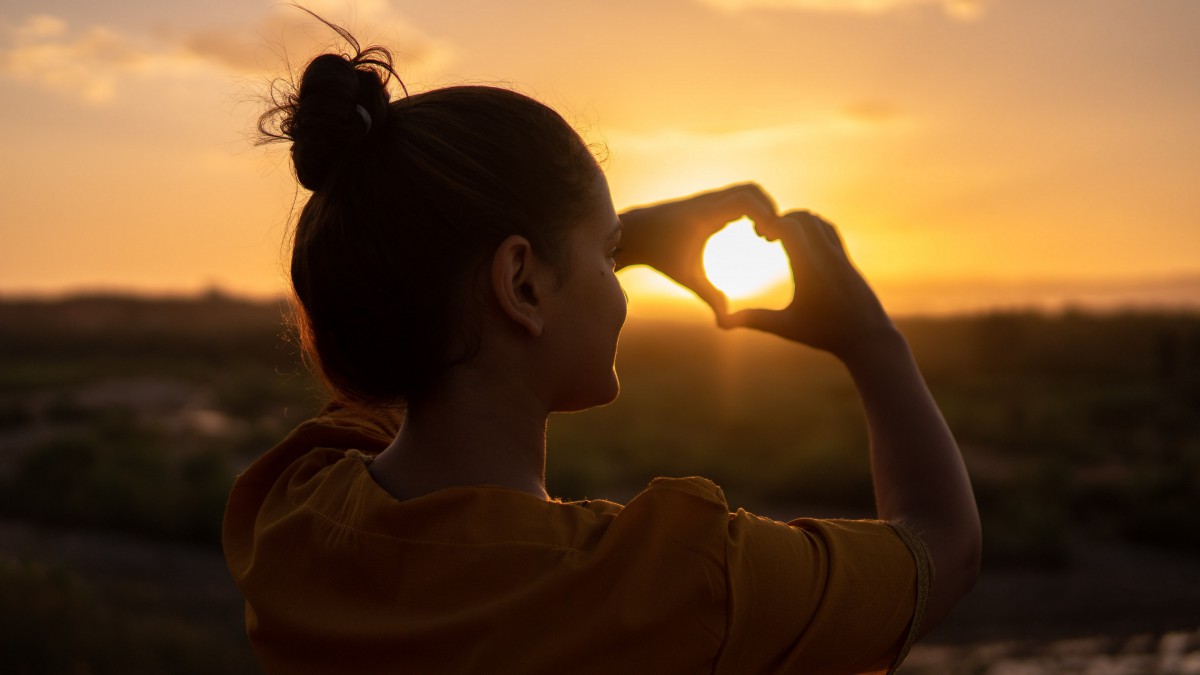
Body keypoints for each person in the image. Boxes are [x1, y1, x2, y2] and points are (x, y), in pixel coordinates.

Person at [222, 20, 981, 675]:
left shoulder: (294, 514)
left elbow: (409, 326)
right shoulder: (673, 582)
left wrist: (601, 243)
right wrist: (870, 339)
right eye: (609, 257)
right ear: (521, 283)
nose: (619, 284)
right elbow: (942, 547)